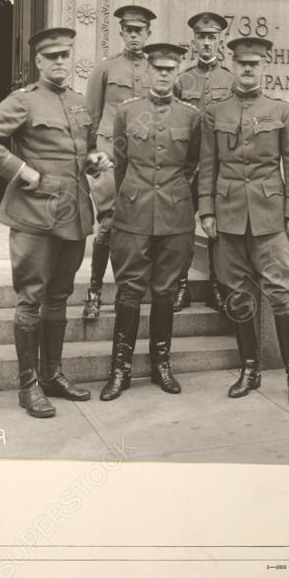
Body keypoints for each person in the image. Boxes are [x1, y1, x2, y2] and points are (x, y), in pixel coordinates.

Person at [0, 27, 112, 418]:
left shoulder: (80, 102)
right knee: (31, 298)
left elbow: (83, 150)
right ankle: (28, 385)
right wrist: (22, 171)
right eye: (53, 57)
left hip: (74, 214)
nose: (60, 62)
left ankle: (52, 374)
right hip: (35, 216)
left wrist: (94, 161)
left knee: (59, 297)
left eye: (66, 55)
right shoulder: (23, 101)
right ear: (39, 62)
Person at [199, 37, 289, 405]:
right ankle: (250, 369)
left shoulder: (281, 111)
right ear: (234, 64)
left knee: (281, 295)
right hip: (229, 218)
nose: (248, 69)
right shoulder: (217, 111)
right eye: (242, 64)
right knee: (238, 295)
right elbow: (207, 165)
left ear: (264, 66)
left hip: (270, 217)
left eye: (254, 64)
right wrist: (207, 211)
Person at [100, 43, 200, 401]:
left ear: (177, 72)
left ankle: (161, 366)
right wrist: (132, 195)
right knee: (129, 292)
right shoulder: (128, 112)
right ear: (148, 71)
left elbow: (192, 165)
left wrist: (172, 194)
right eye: (157, 68)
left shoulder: (190, 116)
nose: (163, 74)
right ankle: (120, 371)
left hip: (175, 217)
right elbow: (121, 162)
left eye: (170, 69)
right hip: (133, 213)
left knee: (166, 292)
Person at [82, 4, 157, 321]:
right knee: (109, 224)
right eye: (129, 31)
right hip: (109, 152)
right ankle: (95, 292)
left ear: (148, 34)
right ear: (122, 33)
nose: (134, 36)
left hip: (143, 156)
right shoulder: (105, 68)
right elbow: (91, 116)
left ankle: (134, 292)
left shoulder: (156, 70)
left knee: (142, 222)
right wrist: (90, 160)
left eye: (140, 31)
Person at [172, 12, 233, 312]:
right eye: (201, 37)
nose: (206, 42)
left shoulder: (231, 81)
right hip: (188, 167)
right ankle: (180, 286)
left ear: (221, 40)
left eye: (211, 37)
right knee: (183, 226)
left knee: (216, 229)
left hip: (219, 169)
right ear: (193, 42)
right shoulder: (182, 81)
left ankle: (216, 286)